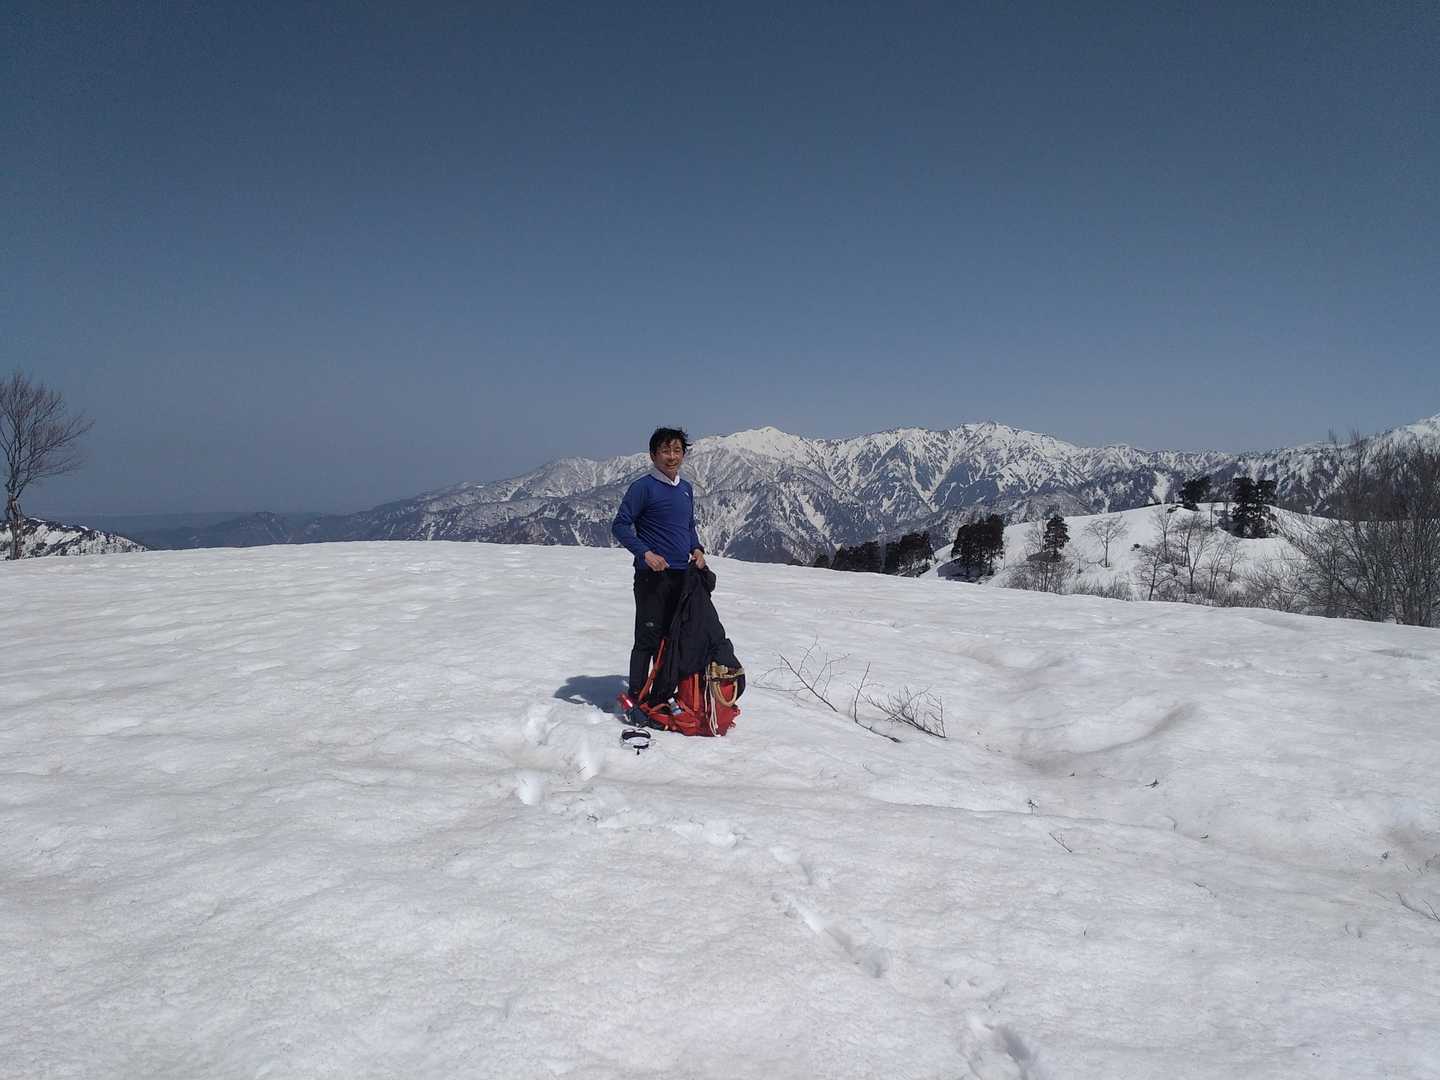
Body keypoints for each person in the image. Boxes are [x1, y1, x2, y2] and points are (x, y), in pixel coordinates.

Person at [611, 427, 706, 698]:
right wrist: (646, 554)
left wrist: (697, 548)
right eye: (665, 450)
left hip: (681, 576)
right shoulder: (643, 488)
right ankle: (637, 696)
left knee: (671, 639)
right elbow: (620, 526)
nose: (672, 456)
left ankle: (660, 696)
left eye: (677, 450)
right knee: (647, 639)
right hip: (651, 577)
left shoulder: (685, 489)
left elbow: (688, 526)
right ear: (653, 455)